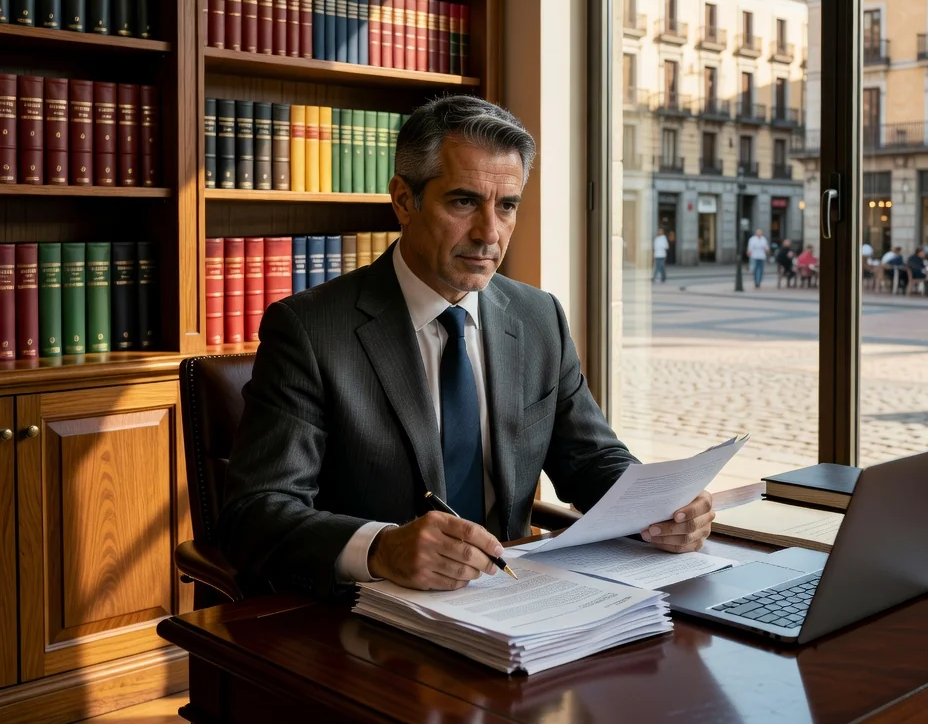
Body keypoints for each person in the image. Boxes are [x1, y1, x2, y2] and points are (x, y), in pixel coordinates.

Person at [218, 96, 714, 597]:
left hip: (516, 599)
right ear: (403, 200)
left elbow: (590, 461)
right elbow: (255, 512)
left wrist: (661, 506)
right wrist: (380, 548)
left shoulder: (539, 317)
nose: (489, 233)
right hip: (366, 614)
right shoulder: (309, 329)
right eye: (463, 202)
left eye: (507, 206)